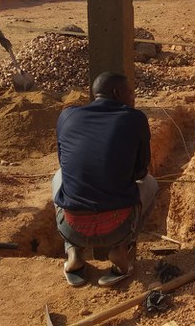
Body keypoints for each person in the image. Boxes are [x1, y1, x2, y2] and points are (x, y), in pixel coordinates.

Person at [52, 72, 158, 287]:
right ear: (117, 93)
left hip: (72, 226)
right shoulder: (134, 118)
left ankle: (73, 252)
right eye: (130, 93)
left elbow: (64, 162)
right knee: (151, 185)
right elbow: (141, 172)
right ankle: (120, 251)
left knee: (59, 176)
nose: (133, 98)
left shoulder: (67, 116)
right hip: (116, 227)